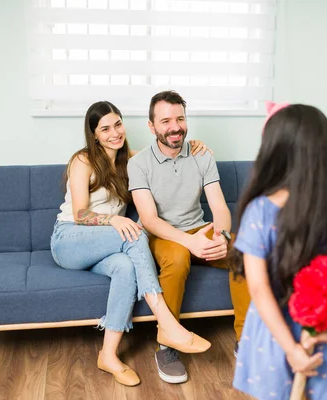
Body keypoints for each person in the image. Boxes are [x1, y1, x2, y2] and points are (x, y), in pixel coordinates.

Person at [50, 101, 212, 387]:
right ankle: (166, 323)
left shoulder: (133, 161)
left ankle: (108, 355)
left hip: (107, 246)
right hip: (70, 239)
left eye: (118, 124)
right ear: (94, 134)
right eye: (105, 129)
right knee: (135, 233)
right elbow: (79, 214)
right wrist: (113, 220)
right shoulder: (83, 160)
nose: (115, 133)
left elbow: (166, 151)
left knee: (125, 268)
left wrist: (194, 145)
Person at [231, 103, 327, 400]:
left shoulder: (259, 211)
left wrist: (290, 349)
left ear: (273, 151)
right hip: (322, 330)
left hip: (274, 336)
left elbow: (260, 290)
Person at [128, 90, 252, 384]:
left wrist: (220, 235)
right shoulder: (138, 164)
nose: (175, 127)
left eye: (180, 118)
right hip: (162, 235)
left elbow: (219, 207)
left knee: (244, 252)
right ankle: (167, 345)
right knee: (179, 256)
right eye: (166, 120)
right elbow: (149, 219)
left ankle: (246, 340)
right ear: (152, 126)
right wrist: (192, 242)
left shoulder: (201, 155)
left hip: (199, 228)